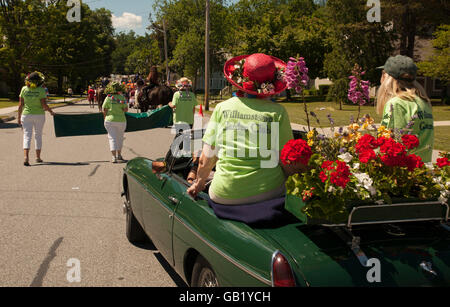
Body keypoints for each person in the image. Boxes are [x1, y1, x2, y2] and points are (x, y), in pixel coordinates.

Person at [187, 53, 296, 205]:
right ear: (275, 81)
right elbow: (287, 159)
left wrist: (198, 184)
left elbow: (207, 158)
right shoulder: (277, 112)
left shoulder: (222, 108)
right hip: (267, 192)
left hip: (223, 194)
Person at [376, 55, 434, 162]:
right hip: (422, 169)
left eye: (382, 73)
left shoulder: (396, 104)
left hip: (403, 171)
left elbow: (389, 143)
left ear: (387, 77)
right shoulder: (424, 102)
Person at [18, 72, 55, 166]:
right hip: (39, 115)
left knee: (27, 136)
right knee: (38, 135)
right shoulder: (41, 90)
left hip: (26, 115)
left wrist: (18, 117)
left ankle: (26, 157)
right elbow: (44, 105)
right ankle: (38, 157)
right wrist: (51, 112)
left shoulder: (24, 89)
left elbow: (20, 105)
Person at [102, 82, 128, 163]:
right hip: (121, 121)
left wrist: (105, 118)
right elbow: (126, 109)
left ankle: (113, 157)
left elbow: (104, 110)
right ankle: (119, 155)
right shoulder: (122, 97)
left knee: (112, 138)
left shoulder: (108, 98)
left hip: (110, 121)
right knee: (120, 138)